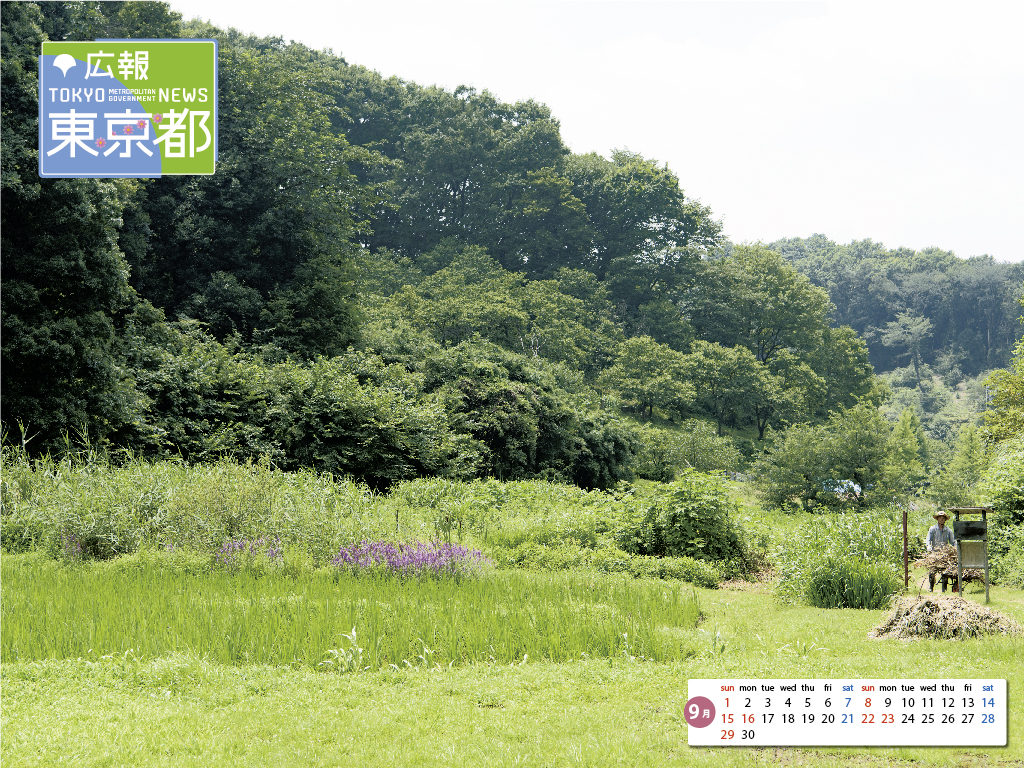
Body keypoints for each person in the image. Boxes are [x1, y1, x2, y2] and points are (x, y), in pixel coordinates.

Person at [927, 511, 956, 592]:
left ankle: (944, 589)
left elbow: (953, 541)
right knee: (932, 571)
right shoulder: (933, 529)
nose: (941, 519)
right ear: (937, 519)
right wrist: (929, 547)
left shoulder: (948, 530)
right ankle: (931, 587)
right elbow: (928, 540)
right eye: (940, 518)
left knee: (945, 572)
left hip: (945, 554)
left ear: (945, 520)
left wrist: (955, 549)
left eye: (943, 518)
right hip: (934, 553)